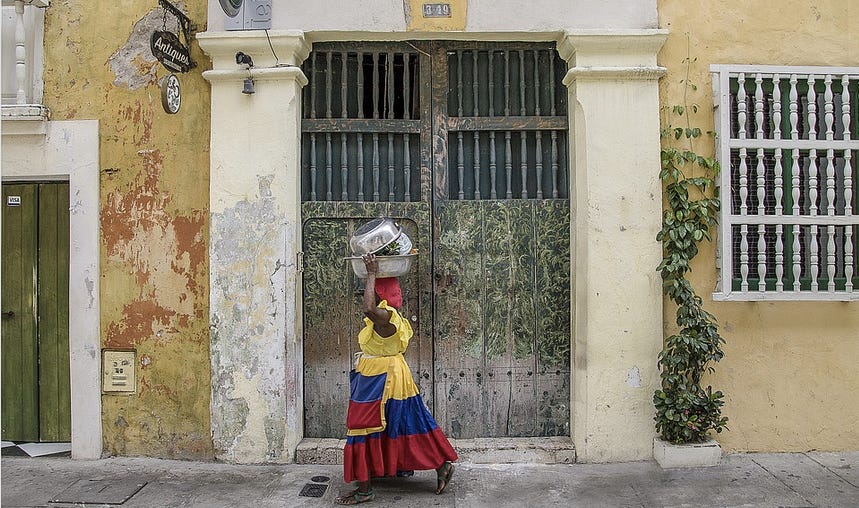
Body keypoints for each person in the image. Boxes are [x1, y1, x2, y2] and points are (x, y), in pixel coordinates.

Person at [335, 253, 457, 505]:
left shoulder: (386, 318)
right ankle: (441, 465)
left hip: (379, 381)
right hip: (390, 376)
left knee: (362, 426)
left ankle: (365, 490)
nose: (367, 293)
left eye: (372, 290)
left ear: (380, 295)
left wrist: (371, 273)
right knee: (404, 423)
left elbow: (368, 308)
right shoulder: (394, 317)